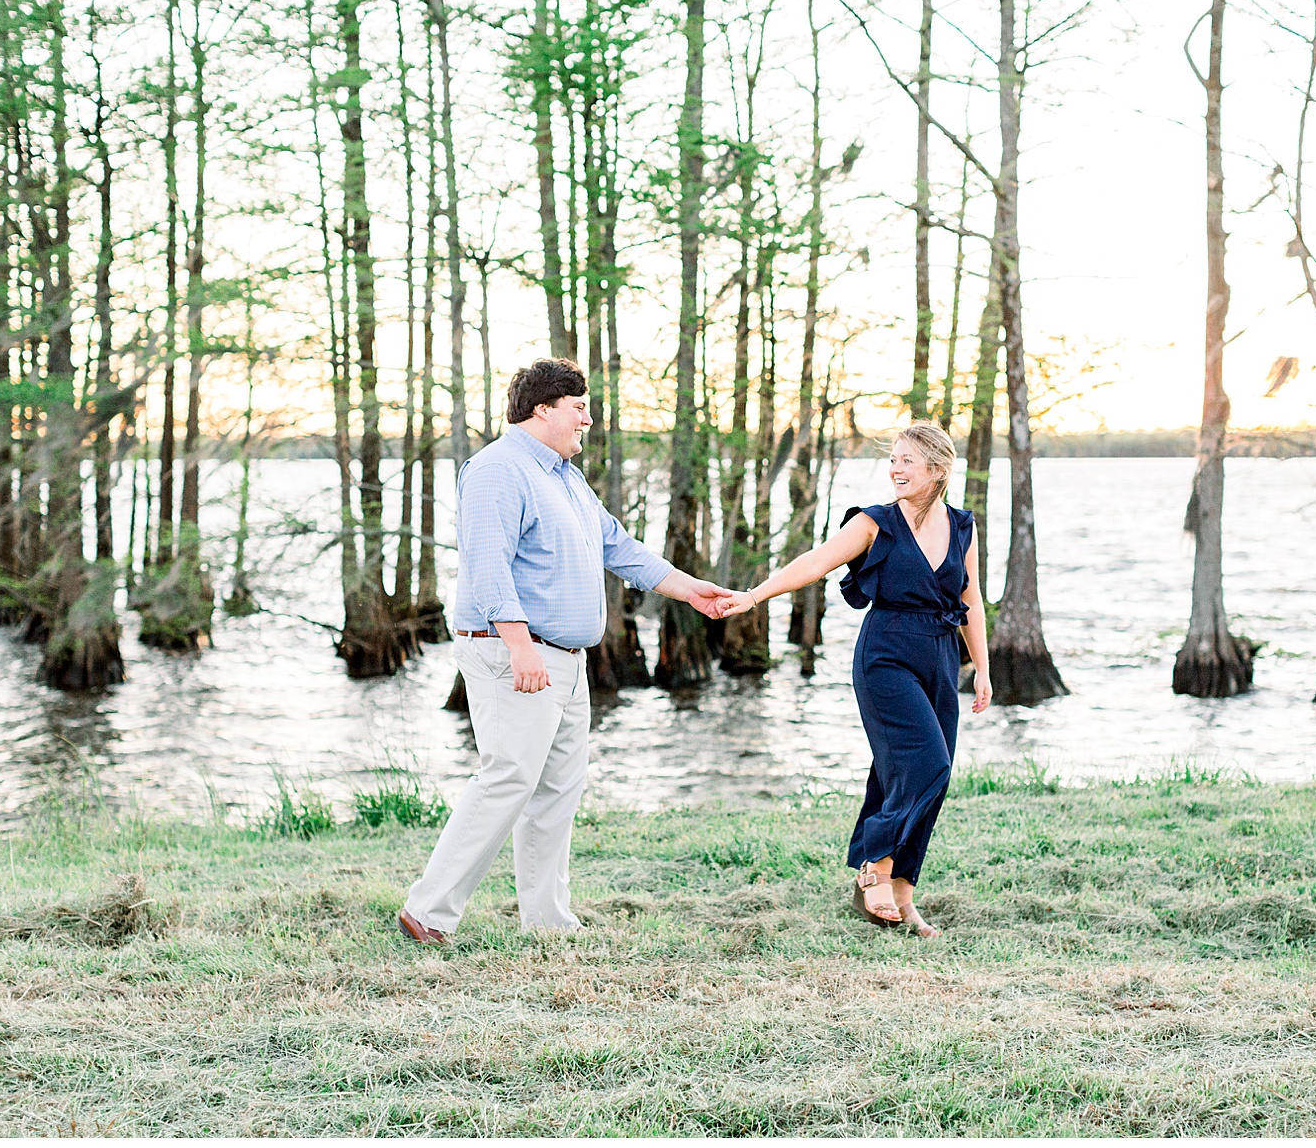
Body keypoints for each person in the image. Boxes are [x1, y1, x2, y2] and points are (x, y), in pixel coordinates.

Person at [398, 357, 734, 943]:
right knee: (507, 777)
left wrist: (690, 590)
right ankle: (427, 912)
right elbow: (486, 567)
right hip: (517, 655)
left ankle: (548, 921)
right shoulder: (498, 470)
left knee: (556, 789)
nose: (588, 419)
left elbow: (619, 547)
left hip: (568, 660)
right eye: (578, 407)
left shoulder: (563, 476)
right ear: (542, 409)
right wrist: (521, 647)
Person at [719, 422, 991, 937]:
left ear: (937, 469)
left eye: (908, 461)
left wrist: (981, 667)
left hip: (941, 657)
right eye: (894, 460)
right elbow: (815, 562)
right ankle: (875, 867)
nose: (896, 469)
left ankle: (904, 898)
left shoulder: (962, 527)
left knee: (920, 776)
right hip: (886, 655)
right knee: (925, 763)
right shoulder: (875, 523)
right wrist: (755, 596)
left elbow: (970, 597)